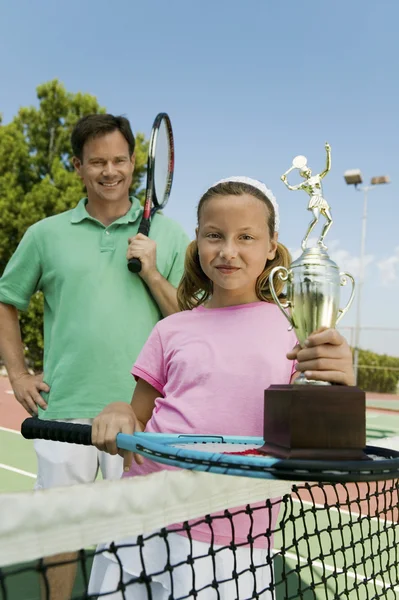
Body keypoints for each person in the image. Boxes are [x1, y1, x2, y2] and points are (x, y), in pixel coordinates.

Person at [88, 176, 354, 599]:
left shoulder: (297, 329)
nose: (228, 251)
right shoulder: (170, 328)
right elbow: (138, 416)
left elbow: (321, 444)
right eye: (215, 235)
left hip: (232, 535)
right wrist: (119, 409)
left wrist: (340, 385)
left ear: (271, 246)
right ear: (197, 240)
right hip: (137, 515)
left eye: (246, 237)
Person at [0, 114, 189, 600]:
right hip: (64, 410)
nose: (110, 171)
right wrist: (19, 374)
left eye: (120, 160)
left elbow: (188, 320)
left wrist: (150, 272)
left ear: (134, 164)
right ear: (78, 167)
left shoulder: (168, 237)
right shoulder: (45, 234)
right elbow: (7, 300)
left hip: (144, 414)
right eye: (97, 162)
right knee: (59, 533)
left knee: (132, 541)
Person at [281, 142, 333, 251]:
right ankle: (304, 240)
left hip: (322, 199)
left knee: (330, 220)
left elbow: (328, 168)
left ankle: (320, 240)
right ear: (303, 175)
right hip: (314, 200)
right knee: (316, 219)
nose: (307, 173)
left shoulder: (317, 177)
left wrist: (328, 152)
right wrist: (285, 182)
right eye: (305, 173)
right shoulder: (304, 184)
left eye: (307, 171)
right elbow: (291, 188)